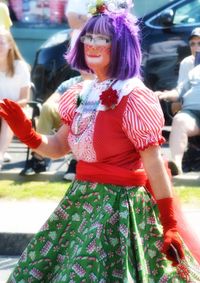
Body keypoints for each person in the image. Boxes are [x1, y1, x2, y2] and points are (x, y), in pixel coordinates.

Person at [1, 0, 200, 281]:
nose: (92, 44)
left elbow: (154, 164)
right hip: (80, 201)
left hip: (120, 208)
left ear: (119, 46)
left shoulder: (134, 96)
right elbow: (58, 147)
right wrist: (28, 135)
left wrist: (169, 224)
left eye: (103, 39)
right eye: (89, 37)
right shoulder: (82, 93)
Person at [22, 72, 93, 181]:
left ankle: (76, 162)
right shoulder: (70, 83)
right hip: (64, 119)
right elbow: (51, 101)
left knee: (82, 109)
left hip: (90, 121)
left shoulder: (103, 82)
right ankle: (38, 158)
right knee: (47, 107)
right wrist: (66, 114)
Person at [156, 27, 200, 175]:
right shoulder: (188, 63)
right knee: (180, 119)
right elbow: (180, 90)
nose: (195, 47)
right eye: (192, 44)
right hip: (192, 113)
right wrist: (165, 95)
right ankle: (176, 166)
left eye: (199, 43)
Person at [0, 27, 30, 170]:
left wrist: (5, 106)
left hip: (16, 109)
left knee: (7, 115)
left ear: (10, 45)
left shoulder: (21, 67)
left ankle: (0, 154)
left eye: (1, 42)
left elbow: (25, 99)